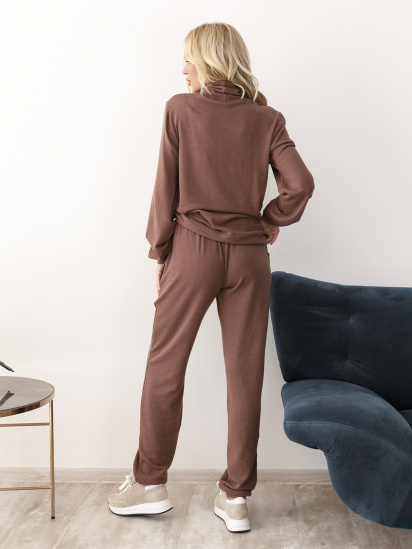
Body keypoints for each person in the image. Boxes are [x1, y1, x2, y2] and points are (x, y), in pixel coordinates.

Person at [108, 21, 315, 533]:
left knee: (165, 366)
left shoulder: (180, 109)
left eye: (188, 58)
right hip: (249, 258)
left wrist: (160, 250)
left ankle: (150, 484)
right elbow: (301, 183)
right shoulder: (268, 118)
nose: (182, 69)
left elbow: (165, 187)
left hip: (193, 250)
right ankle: (236, 497)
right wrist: (269, 219)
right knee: (245, 375)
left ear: (207, 60)